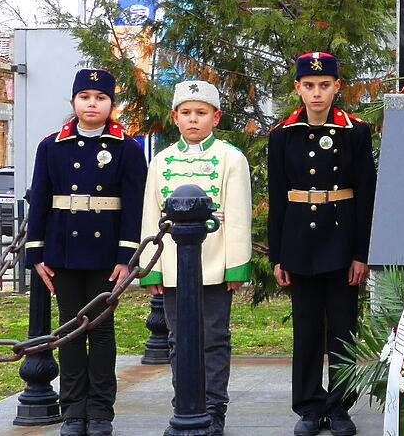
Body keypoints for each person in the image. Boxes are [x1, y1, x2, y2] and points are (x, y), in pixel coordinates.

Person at [25, 68, 147, 436]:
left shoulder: (127, 147)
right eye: (85, 97)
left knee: (101, 330)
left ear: (111, 104)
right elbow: (40, 201)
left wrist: (126, 257)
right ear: (74, 101)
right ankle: (73, 411)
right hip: (63, 250)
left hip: (106, 253)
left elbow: (134, 205)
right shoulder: (51, 146)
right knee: (70, 332)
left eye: (100, 98)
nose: (92, 104)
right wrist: (36, 254)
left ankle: (100, 412)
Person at [268, 52, 377, 436]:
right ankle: (310, 407)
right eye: (309, 86)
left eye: (325, 85)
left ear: (337, 87)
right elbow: (277, 195)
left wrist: (361, 254)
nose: (317, 94)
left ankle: (341, 405)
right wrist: (278, 255)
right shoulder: (283, 134)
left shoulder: (355, 131)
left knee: (344, 327)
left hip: (341, 239)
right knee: (307, 328)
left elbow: (366, 195)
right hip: (299, 242)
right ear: (298, 88)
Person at [139, 80, 252, 436]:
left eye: (201, 113)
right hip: (172, 262)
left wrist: (236, 265)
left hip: (215, 261)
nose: (193, 120)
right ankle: (184, 401)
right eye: (186, 113)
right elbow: (150, 214)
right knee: (177, 339)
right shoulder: (161, 160)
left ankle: (214, 406)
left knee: (214, 337)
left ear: (215, 117)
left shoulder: (231, 158)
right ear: (175, 117)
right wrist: (151, 271)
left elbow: (236, 215)